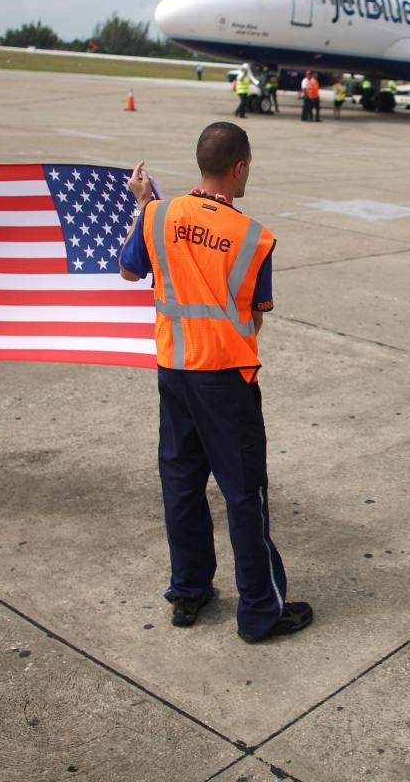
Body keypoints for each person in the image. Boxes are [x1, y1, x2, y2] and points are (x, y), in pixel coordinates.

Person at [119, 123, 312, 641]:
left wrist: (143, 206)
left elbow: (130, 271)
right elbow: (254, 318)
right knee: (245, 495)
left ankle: (189, 591)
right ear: (240, 168)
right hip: (225, 380)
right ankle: (258, 613)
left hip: (174, 373)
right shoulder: (253, 237)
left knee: (181, 485)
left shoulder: (157, 215)